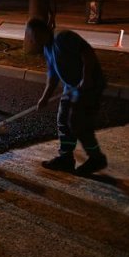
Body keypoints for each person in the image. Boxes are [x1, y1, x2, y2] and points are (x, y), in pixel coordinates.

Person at [26, 17, 108, 175]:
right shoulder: (47, 49)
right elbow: (53, 77)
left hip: (89, 86)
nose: (31, 40)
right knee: (63, 120)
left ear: (42, 32)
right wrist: (45, 98)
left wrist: (87, 76)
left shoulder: (63, 37)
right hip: (70, 88)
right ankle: (66, 158)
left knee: (77, 123)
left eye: (33, 36)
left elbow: (87, 52)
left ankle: (96, 158)